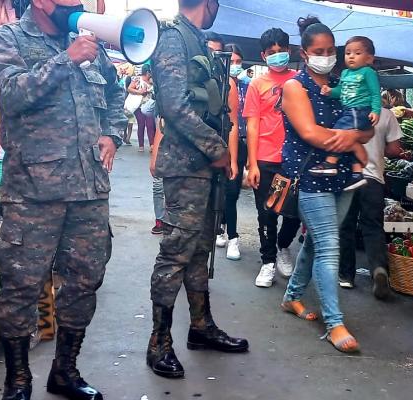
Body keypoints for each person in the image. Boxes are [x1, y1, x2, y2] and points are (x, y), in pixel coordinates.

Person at [0, 0, 121, 398]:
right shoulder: (9, 38)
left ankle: (65, 371)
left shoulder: (89, 44)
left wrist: (113, 133)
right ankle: (18, 379)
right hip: (33, 190)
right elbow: (11, 95)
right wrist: (66, 59)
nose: (76, 4)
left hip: (88, 189)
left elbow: (116, 92)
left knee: (85, 279)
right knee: (21, 285)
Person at [147, 0, 248, 380]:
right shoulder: (173, 37)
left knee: (200, 249)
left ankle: (201, 326)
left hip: (204, 168)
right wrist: (217, 148)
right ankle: (158, 343)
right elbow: (174, 105)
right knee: (175, 252)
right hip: (188, 167)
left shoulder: (196, 39)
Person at [280, 16, 374, 353]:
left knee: (316, 243)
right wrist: (352, 138)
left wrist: (351, 137)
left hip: (344, 177)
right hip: (311, 177)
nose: (326, 55)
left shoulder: (346, 81)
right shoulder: (294, 87)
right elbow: (310, 134)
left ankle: (291, 297)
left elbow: (368, 128)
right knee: (329, 245)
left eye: (330, 50)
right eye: (318, 50)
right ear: (304, 54)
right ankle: (334, 323)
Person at [244, 27, 302, 287]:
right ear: (263, 55)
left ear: (289, 51)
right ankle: (267, 262)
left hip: (294, 159)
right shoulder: (258, 84)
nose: (277, 56)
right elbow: (252, 125)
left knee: (294, 213)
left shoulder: (300, 80)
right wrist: (252, 163)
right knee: (266, 213)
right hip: (266, 158)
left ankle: (283, 246)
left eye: (281, 51)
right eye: (272, 52)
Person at [339, 95, 403, 296]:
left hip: (348, 178)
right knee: (373, 227)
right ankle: (378, 269)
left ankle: (346, 276)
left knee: (346, 226)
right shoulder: (385, 115)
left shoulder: (343, 111)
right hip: (373, 179)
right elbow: (394, 149)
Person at [317, 36, 379, 191]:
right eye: (348, 53)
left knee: (338, 132)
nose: (351, 56)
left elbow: (375, 94)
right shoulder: (345, 73)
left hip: (359, 111)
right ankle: (357, 173)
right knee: (348, 142)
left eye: (357, 53)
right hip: (348, 111)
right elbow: (341, 91)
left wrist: (376, 111)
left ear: (369, 58)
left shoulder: (368, 72)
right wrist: (330, 91)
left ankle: (331, 162)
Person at [215, 43, 248, 260]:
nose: (234, 65)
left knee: (233, 191)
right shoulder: (216, 85)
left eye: (238, 62)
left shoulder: (248, 85)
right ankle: (222, 229)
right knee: (222, 190)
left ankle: (232, 235)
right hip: (219, 143)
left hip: (243, 144)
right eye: (231, 61)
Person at [128, 64, 155, 152]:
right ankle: (141, 145)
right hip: (139, 106)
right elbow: (129, 89)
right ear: (147, 72)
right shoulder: (137, 79)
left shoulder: (152, 81)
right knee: (141, 125)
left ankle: (152, 144)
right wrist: (140, 92)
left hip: (149, 105)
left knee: (150, 125)